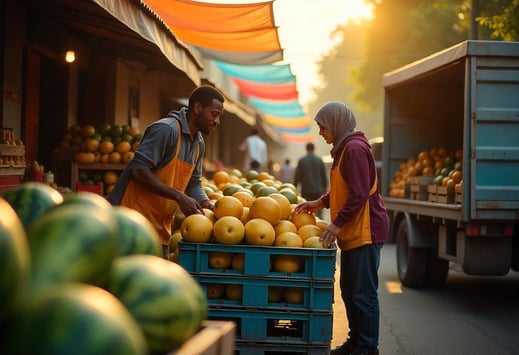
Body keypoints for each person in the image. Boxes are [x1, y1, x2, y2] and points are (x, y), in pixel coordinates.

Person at [294, 102, 388, 355]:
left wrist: (336, 224)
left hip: (365, 231)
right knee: (349, 291)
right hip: (353, 232)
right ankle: (356, 340)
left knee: (363, 293)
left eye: (323, 127)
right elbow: (342, 189)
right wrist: (320, 202)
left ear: (335, 123)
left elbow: (358, 195)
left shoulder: (355, 149)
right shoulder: (343, 149)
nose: (322, 133)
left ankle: (368, 347)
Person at [108, 85, 225, 259]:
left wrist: (206, 203)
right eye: (214, 114)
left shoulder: (198, 143)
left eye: (219, 117)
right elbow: (138, 171)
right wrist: (179, 196)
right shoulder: (166, 130)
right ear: (197, 108)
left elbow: (193, 183)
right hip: (129, 222)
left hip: (160, 228)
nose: (217, 122)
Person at [294, 142, 328, 217]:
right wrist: (325, 189)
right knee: (318, 210)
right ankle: (319, 226)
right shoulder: (319, 160)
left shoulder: (302, 160)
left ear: (306, 149)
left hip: (306, 190)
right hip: (318, 190)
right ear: (314, 148)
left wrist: (295, 188)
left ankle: (309, 225)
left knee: (306, 211)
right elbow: (324, 176)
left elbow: (297, 176)